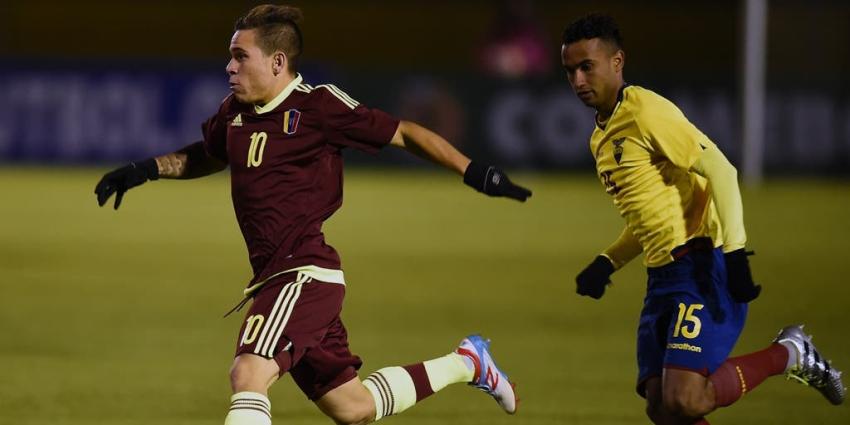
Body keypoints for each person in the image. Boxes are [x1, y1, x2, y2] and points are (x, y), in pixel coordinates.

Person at [95, 5, 529, 425]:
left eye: (240, 56)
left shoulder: (318, 106)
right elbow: (210, 155)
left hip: (302, 273)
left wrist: (473, 171)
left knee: (248, 375)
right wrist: (145, 169)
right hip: (272, 274)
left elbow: (405, 133)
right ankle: (467, 363)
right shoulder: (235, 112)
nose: (229, 67)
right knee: (352, 406)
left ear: (277, 61)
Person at [560, 13, 845, 425]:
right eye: (570, 71)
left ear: (617, 62)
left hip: (698, 267)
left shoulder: (646, 112)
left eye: (588, 66)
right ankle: (789, 354)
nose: (579, 80)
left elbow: (723, 172)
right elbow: (650, 217)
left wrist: (735, 254)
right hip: (662, 280)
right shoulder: (600, 136)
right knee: (662, 406)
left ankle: (790, 354)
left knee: (686, 400)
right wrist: (607, 261)